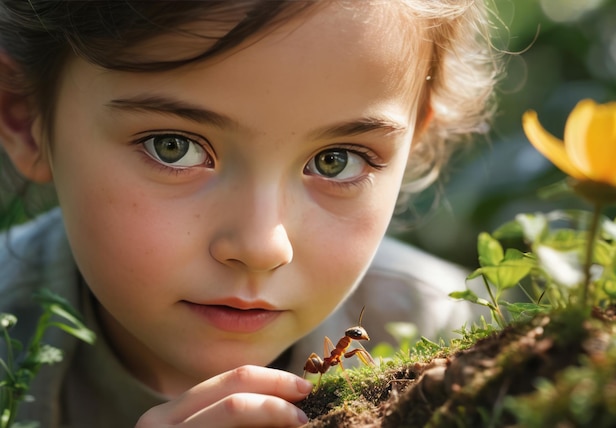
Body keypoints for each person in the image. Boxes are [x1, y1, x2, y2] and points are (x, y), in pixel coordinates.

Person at [0, 1, 500, 426]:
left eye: (336, 160)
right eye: (173, 147)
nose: (263, 247)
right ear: (24, 116)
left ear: (413, 143)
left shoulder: (453, 332)